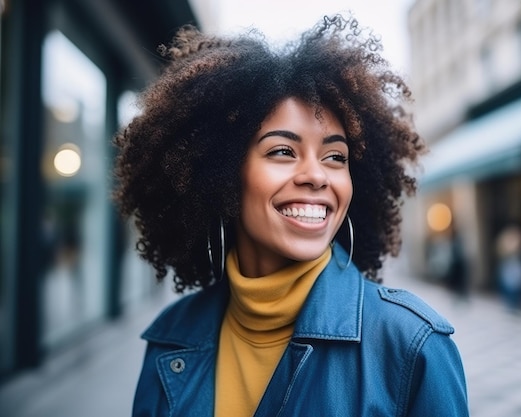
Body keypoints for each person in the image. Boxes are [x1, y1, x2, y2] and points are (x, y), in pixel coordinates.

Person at [113, 14, 469, 417]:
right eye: (283, 151)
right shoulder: (170, 337)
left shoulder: (412, 345)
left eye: (336, 157)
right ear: (221, 173)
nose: (317, 176)